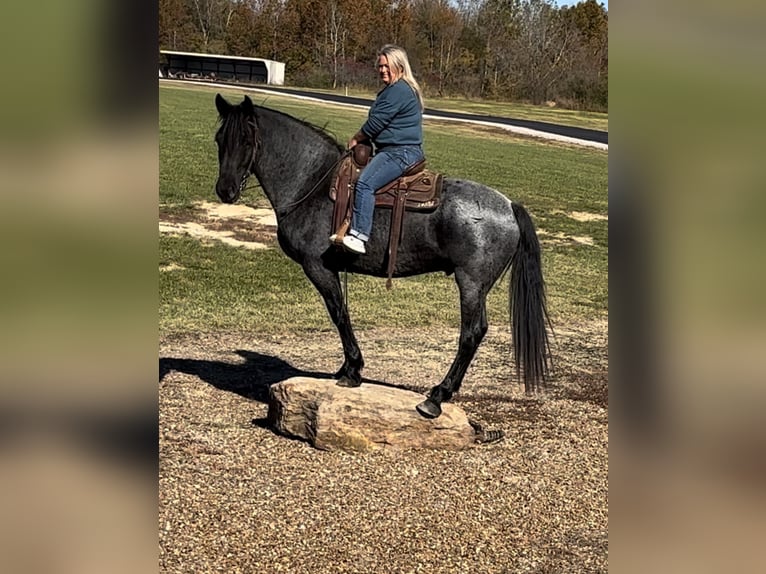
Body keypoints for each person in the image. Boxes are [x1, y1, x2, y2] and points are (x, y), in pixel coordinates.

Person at [335, 44, 425, 255]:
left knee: (365, 183)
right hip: (393, 149)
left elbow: (376, 124)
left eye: (387, 66)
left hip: (400, 152)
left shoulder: (400, 90)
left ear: (400, 67)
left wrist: (356, 139)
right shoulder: (393, 89)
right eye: (380, 66)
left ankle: (359, 235)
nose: (382, 70)